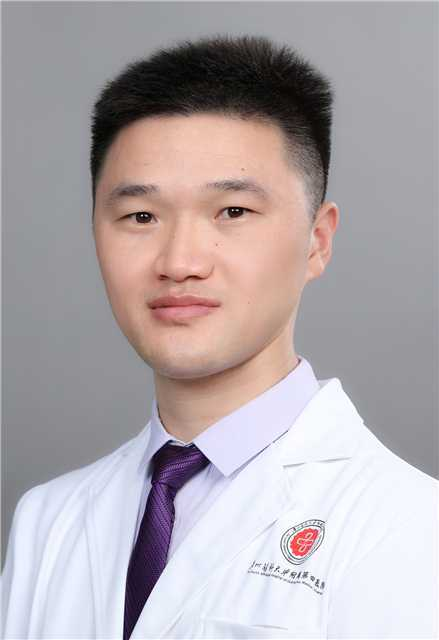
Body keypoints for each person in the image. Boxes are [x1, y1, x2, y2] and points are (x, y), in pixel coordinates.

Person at [2, 34, 437, 640]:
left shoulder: (410, 528)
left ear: (317, 241)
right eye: (141, 216)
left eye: (233, 212)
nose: (180, 262)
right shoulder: (48, 522)